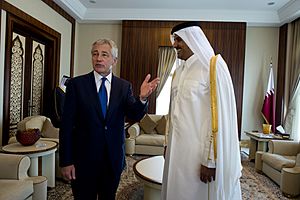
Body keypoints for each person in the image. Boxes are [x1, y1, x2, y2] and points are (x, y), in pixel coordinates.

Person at [59, 38, 159, 200]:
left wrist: (142, 98)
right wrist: (66, 161)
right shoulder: (76, 85)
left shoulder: (123, 86)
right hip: (83, 160)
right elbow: (67, 125)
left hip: (112, 159)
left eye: (104, 54)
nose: (98, 58)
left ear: (114, 60)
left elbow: (134, 114)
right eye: (95, 54)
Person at [162, 22, 242, 200]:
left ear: (192, 39)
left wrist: (211, 160)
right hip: (176, 151)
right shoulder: (178, 72)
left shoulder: (212, 67)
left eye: (179, 40)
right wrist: (167, 143)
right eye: (174, 40)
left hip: (198, 155)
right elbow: (171, 112)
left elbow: (219, 118)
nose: (174, 45)